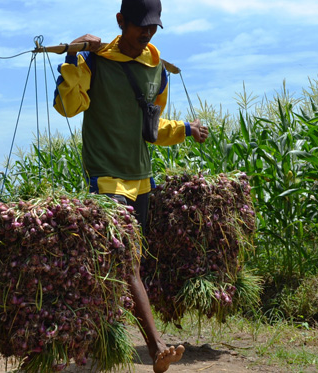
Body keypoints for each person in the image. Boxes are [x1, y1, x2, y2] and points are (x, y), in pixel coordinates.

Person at [53, 0, 209, 371]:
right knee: (127, 264)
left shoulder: (157, 70)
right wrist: (74, 58)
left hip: (141, 182)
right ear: (121, 21)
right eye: (140, 27)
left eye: (152, 28)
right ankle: (155, 346)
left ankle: (93, 347)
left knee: (120, 264)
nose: (146, 34)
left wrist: (186, 129)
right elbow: (67, 107)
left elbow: (151, 130)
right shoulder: (95, 61)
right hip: (107, 177)